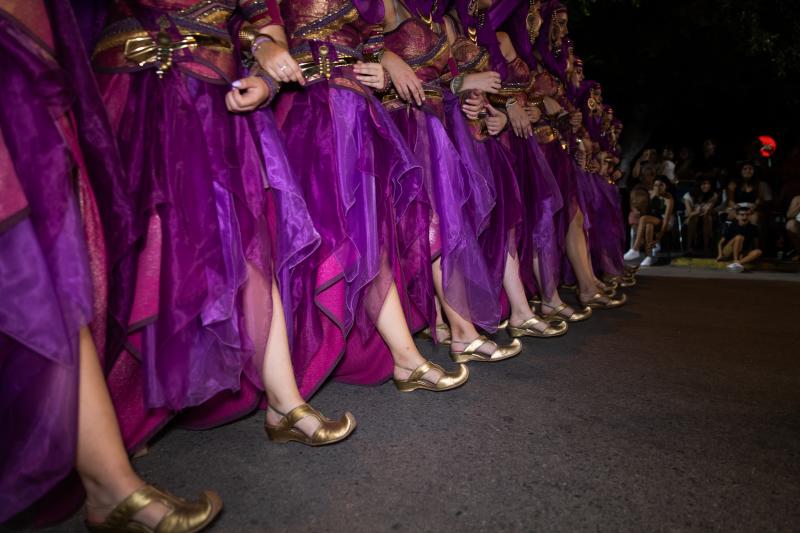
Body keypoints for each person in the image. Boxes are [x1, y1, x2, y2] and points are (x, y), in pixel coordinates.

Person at [0, 2, 220, 529]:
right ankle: (110, 483)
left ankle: (110, 483)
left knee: (42, 261)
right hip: (26, 62)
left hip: (31, 62)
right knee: (28, 255)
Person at [260, 1, 470, 393]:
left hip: (354, 111)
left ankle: (407, 358)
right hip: (307, 110)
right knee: (321, 236)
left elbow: (372, 40)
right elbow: (254, 23)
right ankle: (293, 371)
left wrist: (379, 66)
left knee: (369, 237)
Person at [624, 176, 674, 266]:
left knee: (644, 219)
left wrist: (659, 237)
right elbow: (643, 210)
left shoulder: (669, 199)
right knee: (649, 226)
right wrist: (651, 197)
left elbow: (666, 221)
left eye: (661, 185)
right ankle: (648, 257)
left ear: (666, 186)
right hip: (651, 219)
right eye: (655, 185)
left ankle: (635, 248)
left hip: (663, 221)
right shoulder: (651, 194)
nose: (658, 188)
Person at [717, 206, 762, 272]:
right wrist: (720, 255)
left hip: (742, 252)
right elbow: (720, 243)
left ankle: (737, 264)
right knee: (739, 237)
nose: (745, 217)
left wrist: (753, 257)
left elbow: (755, 245)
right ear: (737, 216)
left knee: (758, 251)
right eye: (742, 215)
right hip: (728, 251)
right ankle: (736, 261)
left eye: (747, 215)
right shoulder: (732, 226)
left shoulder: (753, 228)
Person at [683, 178, 719, 256]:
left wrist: (705, 211)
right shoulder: (688, 196)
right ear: (698, 185)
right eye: (704, 184)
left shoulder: (713, 195)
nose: (706, 186)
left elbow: (709, 210)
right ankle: (688, 247)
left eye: (708, 184)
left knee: (707, 218)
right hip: (692, 217)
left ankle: (706, 248)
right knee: (693, 218)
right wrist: (697, 212)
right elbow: (689, 213)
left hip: (706, 217)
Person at [784, 196, 800, 261]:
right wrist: (798, 207)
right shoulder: (797, 199)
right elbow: (789, 215)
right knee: (790, 224)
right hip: (799, 225)